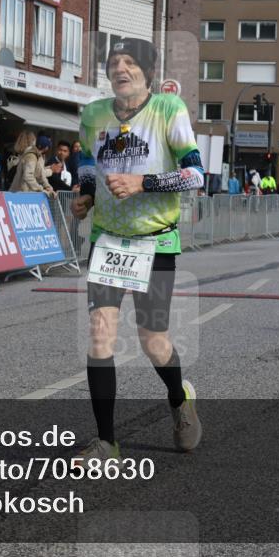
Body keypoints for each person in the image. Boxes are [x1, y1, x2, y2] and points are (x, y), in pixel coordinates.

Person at [70, 37, 202, 464]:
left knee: (153, 342)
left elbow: (195, 174)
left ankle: (179, 399)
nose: (120, 69)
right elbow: (89, 164)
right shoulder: (93, 113)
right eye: (113, 63)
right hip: (108, 239)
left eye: (129, 62)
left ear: (146, 71)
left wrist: (143, 183)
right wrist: (87, 194)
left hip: (156, 239)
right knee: (100, 335)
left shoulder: (168, 110)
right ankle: (106, 442)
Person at [8, 131, 55, 196]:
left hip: (22, 192)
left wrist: (48, 187)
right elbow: (28, 176)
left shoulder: (35, 155)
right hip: (22, 193)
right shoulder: (31, 156)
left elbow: (40, 174)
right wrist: (41, 189)